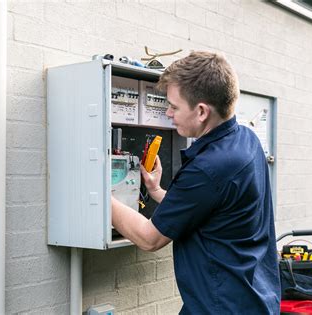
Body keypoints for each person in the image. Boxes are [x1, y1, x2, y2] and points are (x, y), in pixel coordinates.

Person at [111, 51, 280, 314]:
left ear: (201, 111)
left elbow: (149, 239)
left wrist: (96, 192)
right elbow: (205, 210)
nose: (168, 113)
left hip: (221, 307)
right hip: (251, 299)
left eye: (174, 106)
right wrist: (156, 190)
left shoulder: (209, 168)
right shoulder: (246, 140)